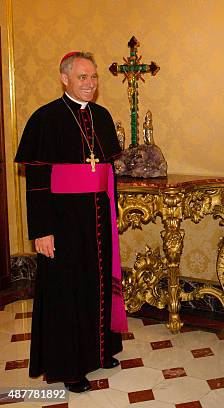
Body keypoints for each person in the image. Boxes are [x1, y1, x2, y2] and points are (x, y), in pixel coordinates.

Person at [14, 52, 127, 393]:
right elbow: (35, 181)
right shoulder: (45, 119)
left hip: (97, 217)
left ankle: (101, 350)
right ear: (65, 78)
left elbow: (108, 172)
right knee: (68, 290)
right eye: (82, 77)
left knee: (98, 283)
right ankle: (70, 366)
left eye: (93, 77)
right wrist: (41, 230)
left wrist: (114, 207)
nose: (90, 83)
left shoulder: (102, 116)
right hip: (62, 222)